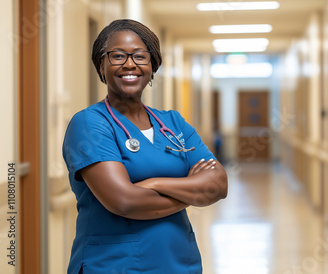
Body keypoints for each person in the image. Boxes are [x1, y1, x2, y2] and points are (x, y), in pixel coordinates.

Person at [62, 19, 228, 274]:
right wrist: (190, 192)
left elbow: (217, 185)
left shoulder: (173, 123)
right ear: (101, 65)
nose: (130, 64)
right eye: (117, 56)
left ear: (152, 65)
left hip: (179, 263)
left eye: (140, 56)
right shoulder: (89, 123)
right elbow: (124, 201)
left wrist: (154, 185)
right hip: (115, 264)